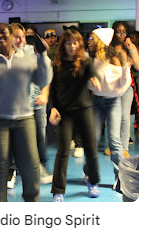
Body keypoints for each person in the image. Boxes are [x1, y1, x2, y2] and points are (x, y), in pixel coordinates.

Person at [0, 23, 53, 202]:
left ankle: (32, 202)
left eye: (2, 32)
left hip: (24, 118)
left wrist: (43, 56)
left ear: (12, 36)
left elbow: (43, 80)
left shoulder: (27, 58)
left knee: (30, 166)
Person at [49, 29, 101, 202]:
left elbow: (92, 75)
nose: (72, 46)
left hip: (84, 109)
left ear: (80, 44)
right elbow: (52, 89)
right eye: (68, 42)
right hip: (64, 112)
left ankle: (92, 181)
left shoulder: (85, 62)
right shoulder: (56, 64)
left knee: (91, 149)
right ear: (63, 44)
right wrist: (52, 108)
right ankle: (58, 190)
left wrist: (94, 80)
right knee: (63, 151)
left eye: (75, 42)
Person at [87, 28, 132, 193]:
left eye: (92, 38)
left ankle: (120, 179)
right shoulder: (91, 58)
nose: (89, 40)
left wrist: (126, 71)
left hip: (113, 102)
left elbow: (121, 84)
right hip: (96, 101)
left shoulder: (114, 58)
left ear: (101, 41)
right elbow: (89, 82)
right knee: (93, 139)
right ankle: (89, 173)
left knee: (114, 140)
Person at [9, 23, 53, 187]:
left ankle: (41, 166)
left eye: (22, 36)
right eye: (16, 36)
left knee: (38, 139)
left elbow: (45, 74)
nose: (20, 40)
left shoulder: (32, 51)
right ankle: (12, 170)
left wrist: (45, 93)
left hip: (34, 103)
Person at [110, 21, 139, 155]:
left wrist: (131, 48)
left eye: (124, 32)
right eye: (119, 31)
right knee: (113, 116)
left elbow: (138, 66)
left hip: (127, 85)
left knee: (124, 116)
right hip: (112, 85)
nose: (121, 34)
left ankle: (124, 147)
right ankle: (114, 146)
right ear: (114, 32)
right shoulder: (108, 46)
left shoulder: (129, 45)